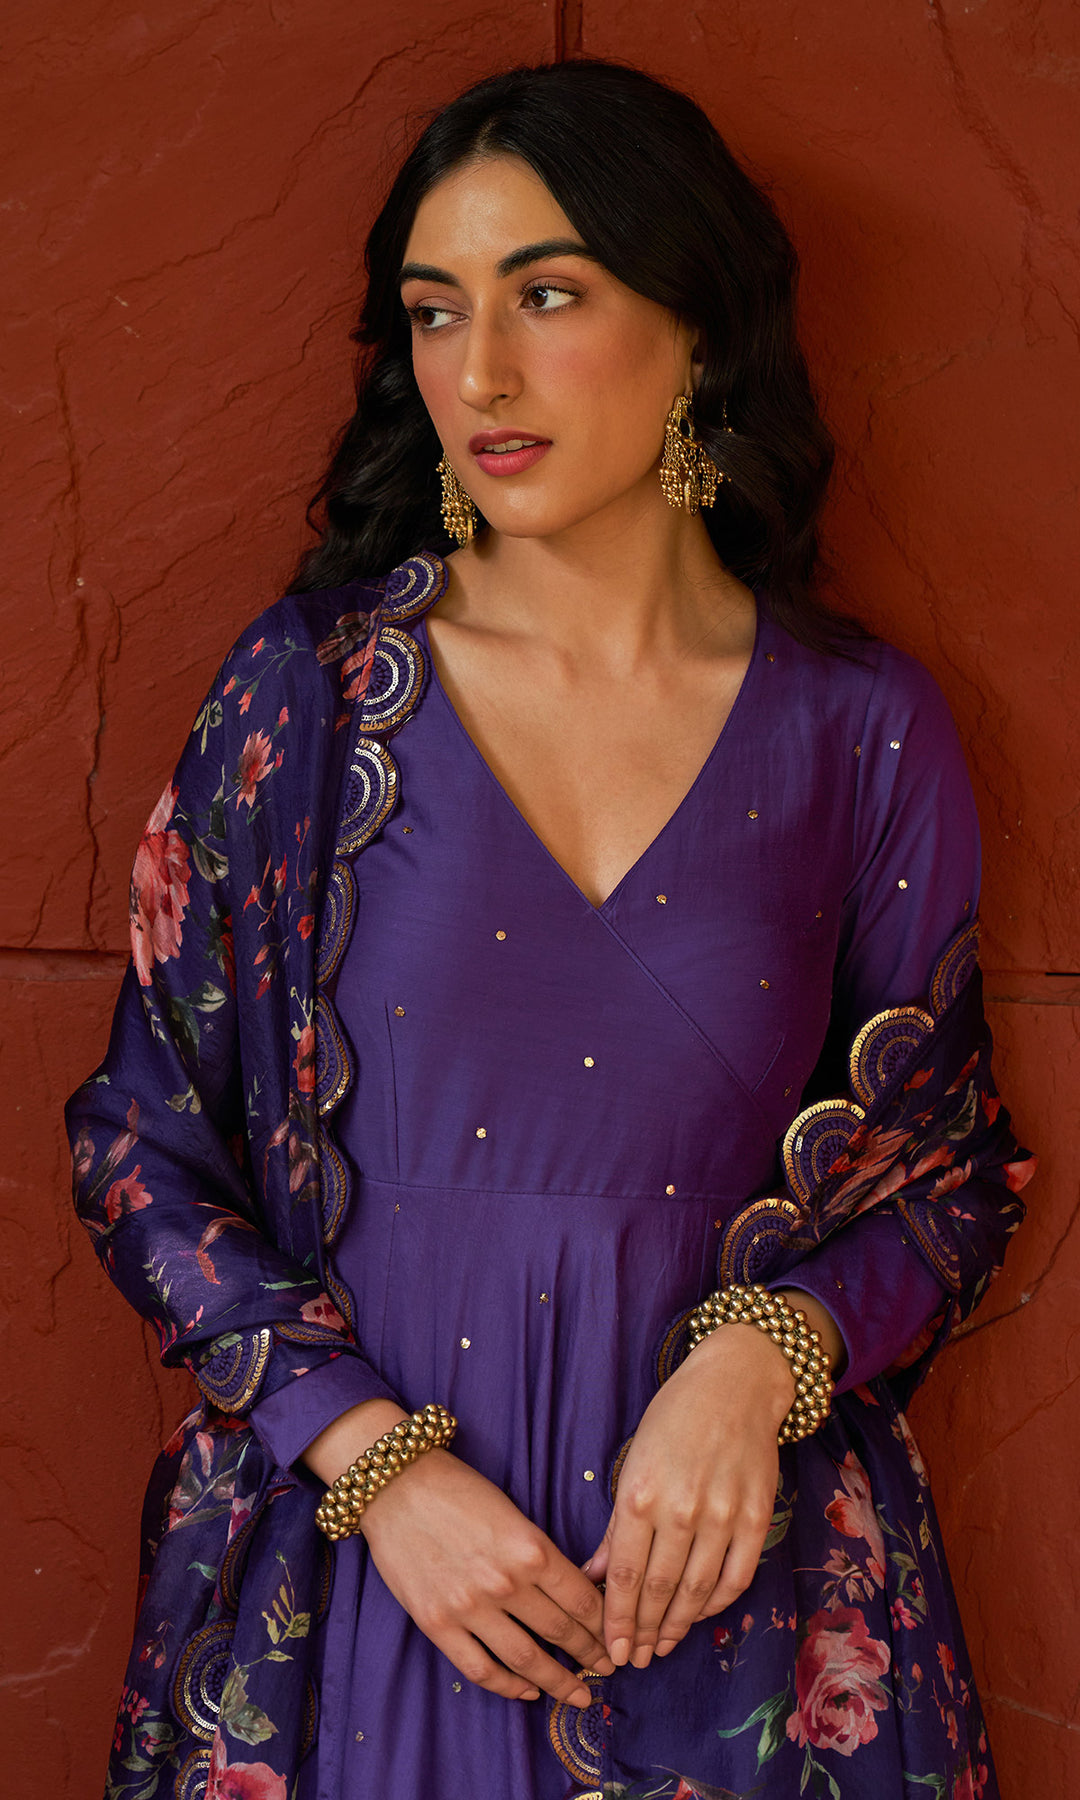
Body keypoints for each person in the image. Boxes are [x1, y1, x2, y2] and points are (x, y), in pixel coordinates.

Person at [67, 59, 1034, 1800]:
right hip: (373, 1607)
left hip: (745, 1622)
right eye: (436, 312)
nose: (480, 374)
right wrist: (373, 1465)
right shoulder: (310, 697)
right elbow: (142, 1144)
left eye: (549, 296)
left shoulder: (864, 731)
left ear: (699, 330)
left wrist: (768, 1355)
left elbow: (951, 1171)